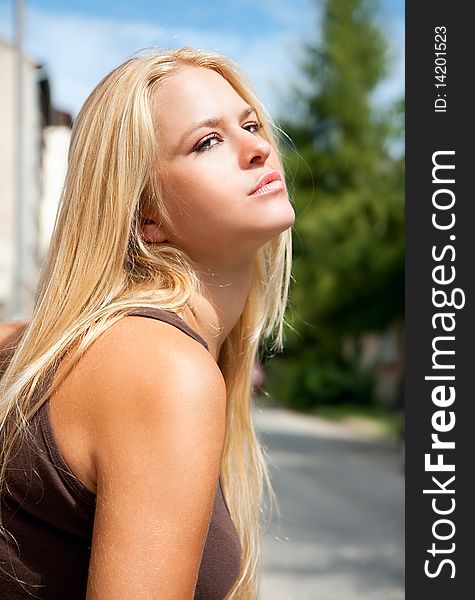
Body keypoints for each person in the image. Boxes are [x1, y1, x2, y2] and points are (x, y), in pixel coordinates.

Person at [0, 47, 294, 599]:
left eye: (250, 123)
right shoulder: (164, 367)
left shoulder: (46, 344)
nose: (258, 149)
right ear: (146, 216)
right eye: (207, 141)